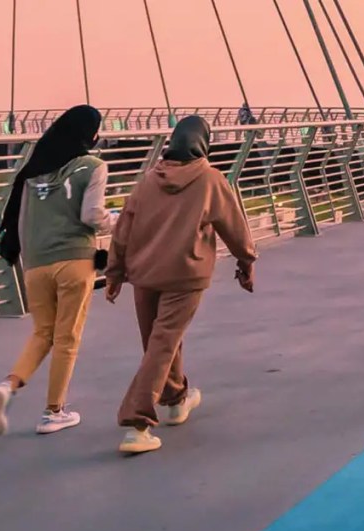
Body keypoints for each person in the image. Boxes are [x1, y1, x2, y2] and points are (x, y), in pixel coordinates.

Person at [105, 115, 258, 455]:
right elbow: (234, 226)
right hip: (186, 274)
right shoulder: (210, 179)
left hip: (145, 273)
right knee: (163, 343)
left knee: (158, 342)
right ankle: (137, 424)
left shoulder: (148, 181)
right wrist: (246, 261)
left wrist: (114, 274)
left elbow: (122, 231)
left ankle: (176, 400)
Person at [0, 105, 113, 436]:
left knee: (43, 332)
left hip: (36, 264)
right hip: (75, 261)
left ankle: (8, 385)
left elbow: (21, 221)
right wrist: (119, 220)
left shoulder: (33, 171)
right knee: (67, 337)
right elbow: (92, 216)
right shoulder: (93, 166)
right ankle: (53, 412)